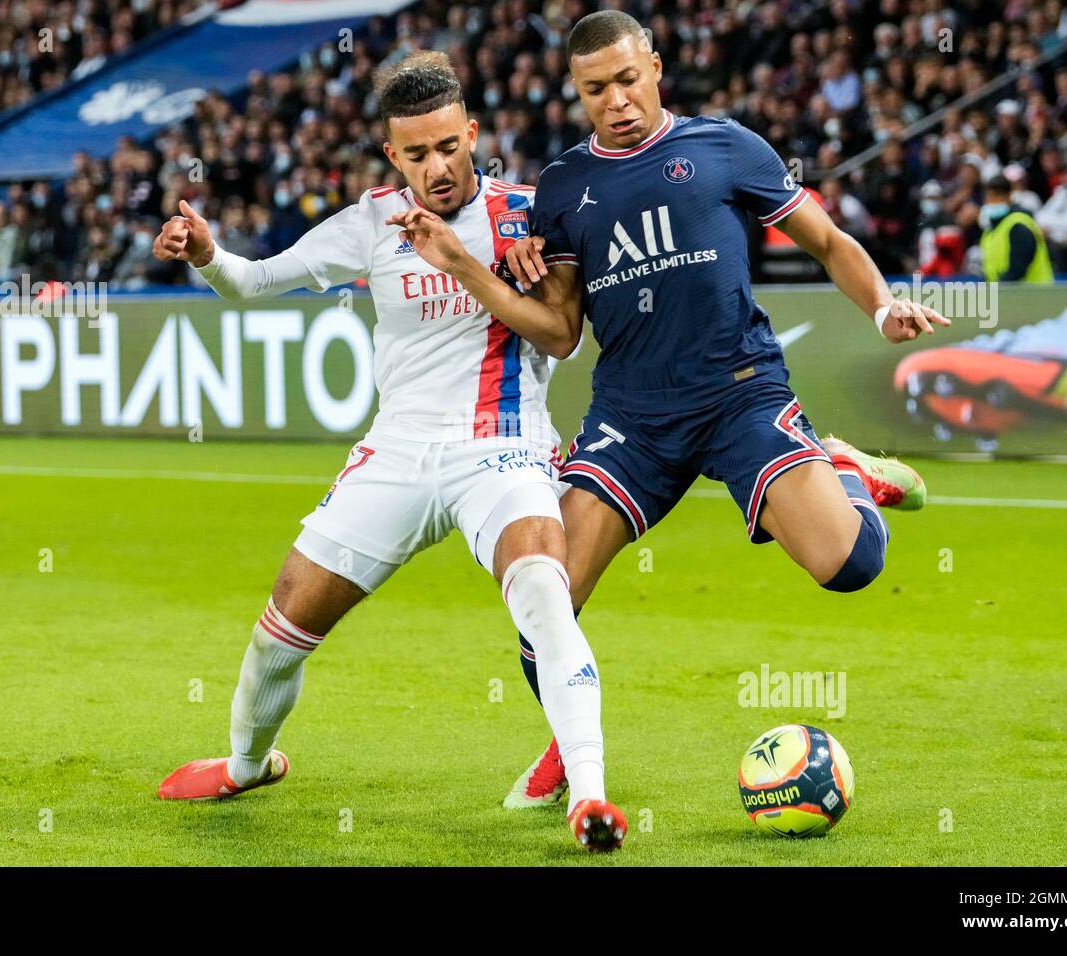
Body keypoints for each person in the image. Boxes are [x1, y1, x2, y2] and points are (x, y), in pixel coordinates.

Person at [386, 11, 947, 810]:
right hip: (633, 417)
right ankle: (566, 744)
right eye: (594, 90)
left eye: (625, 79)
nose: (615, 100)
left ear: (653, 66)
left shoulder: (726, 147)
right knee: (542, 596)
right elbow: (562, 328)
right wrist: (501, 270)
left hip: (739, 390)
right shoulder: (563, 187)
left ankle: (848, 471)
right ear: (576, 95)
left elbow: (826, 241)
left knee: (852, 567)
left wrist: (885, 304)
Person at [152, 52, 625, 852]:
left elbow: (564, 339)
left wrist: (475, 265)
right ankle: (246, 762)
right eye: (416, 154)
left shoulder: (528, 213)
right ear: (391, 155)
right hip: (398, 451)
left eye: (449, 146)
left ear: (472, 132)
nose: (437, 168)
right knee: (282, 625)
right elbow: (257, 280)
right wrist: (205, 251)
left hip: (502, 445)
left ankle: (590, 796)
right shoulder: (371, 223)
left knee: (544, 589)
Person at [979, 175, 1054, 282]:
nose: (992, 201)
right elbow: (990, 271)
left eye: (997, 196)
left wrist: (998, 290)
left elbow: (1018, 269)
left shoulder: (1019, 226)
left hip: (1033, 295)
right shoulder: (989, 231)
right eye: (989, 197)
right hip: (1006, 295)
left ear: (1009, 196)